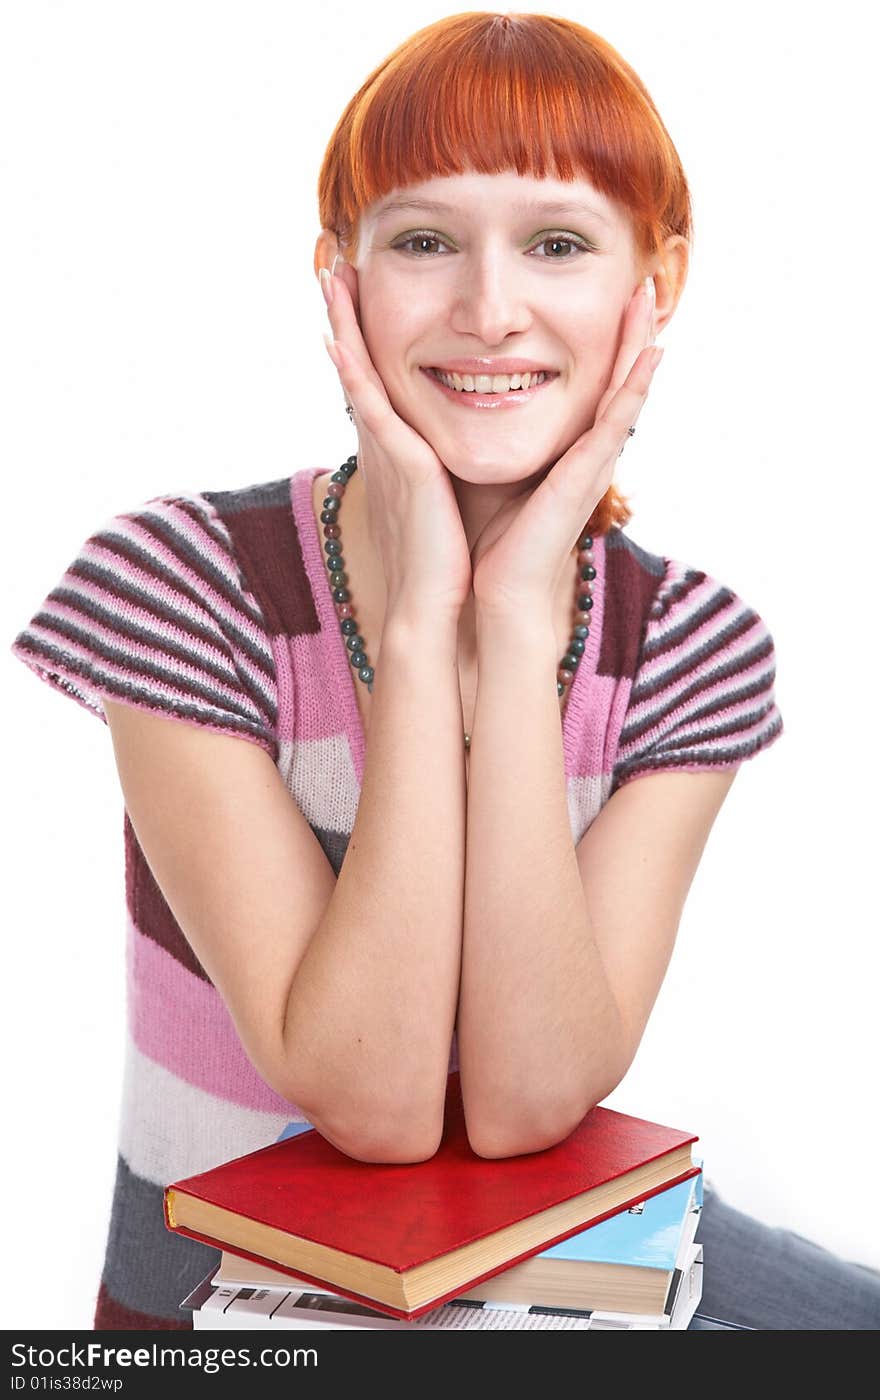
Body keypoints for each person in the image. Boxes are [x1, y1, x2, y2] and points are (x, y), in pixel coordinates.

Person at [9, 10, 879, 1333]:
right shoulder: (186, 583)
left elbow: (531, 1103)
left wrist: (522, 618)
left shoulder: (694, 646)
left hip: (568, 1269)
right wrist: (421, 630)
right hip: (241, 1312)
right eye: (423, 241)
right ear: (339, 275)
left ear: (659, 282)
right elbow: (375, 1107)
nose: (487, 311)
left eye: (558, 243)